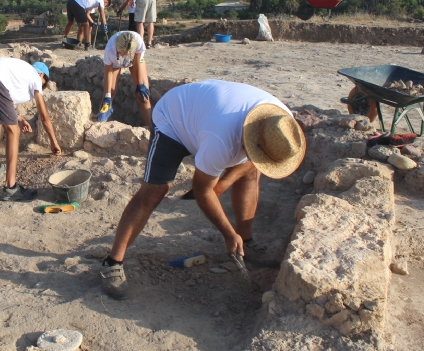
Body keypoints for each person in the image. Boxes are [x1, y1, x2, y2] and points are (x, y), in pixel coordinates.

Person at [99, 80, 305, 300]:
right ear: (252, 140)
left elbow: (253, 162)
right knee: (154, 191)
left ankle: (245, 242)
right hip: (174, 118)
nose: (259, 159)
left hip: (207, 116)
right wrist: (227, 232)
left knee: (250, 174)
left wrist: (224, 182)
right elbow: (202, 190)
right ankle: (112, 261)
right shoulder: (222, 141)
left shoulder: (281, 124)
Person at [0, 58, 62, 201]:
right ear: (42, 75)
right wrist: (54, 142)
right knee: (14, 131)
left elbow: (3, 103)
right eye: (44, 84)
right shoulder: (35, 78)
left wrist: (19, 118)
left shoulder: (18, 72)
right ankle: (10, 187)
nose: (41, 87)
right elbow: (44, 116)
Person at [97, 31, 151, 126]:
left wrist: (140, 84)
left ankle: (150, 131)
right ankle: (99, 126)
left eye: (125, 53)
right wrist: (108, 96)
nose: (123, 55)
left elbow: (137, 63)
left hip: (134, 61)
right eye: (121, 52)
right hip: (115, 63)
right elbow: (108, 71)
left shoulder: (138, 41)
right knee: (108, 96)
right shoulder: (110, 48)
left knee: (143, 96)